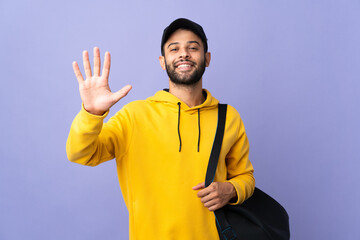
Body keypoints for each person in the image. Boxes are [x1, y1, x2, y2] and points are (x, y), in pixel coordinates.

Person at [67, 18, 255, 240]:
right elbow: (81, 153)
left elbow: (246, 177)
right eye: (174, 49)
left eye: (193, 48)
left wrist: (231, 190)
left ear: (207, 58)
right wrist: (92, 113)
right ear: (163, 61)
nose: (183, 54)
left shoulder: (228, 117)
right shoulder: (134, 115)